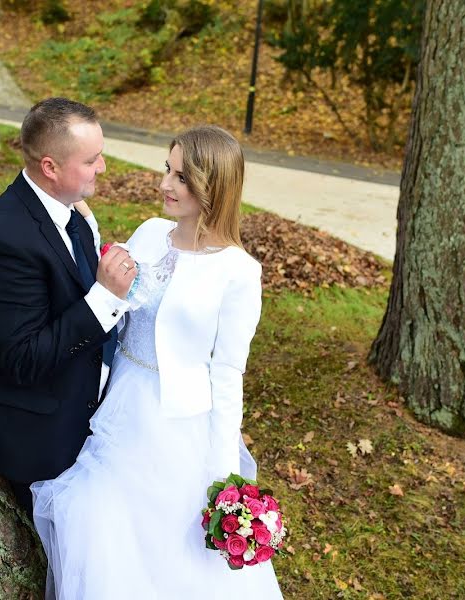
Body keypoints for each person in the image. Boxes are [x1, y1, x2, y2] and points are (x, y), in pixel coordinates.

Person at [31, 126, 283, 598]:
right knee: (101, 523)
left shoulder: (238, 273)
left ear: (215, 186)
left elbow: (228, 374)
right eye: (167, 170)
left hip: (176, 425)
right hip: (117, 399)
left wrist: (225, 476)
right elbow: (115, 288)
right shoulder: (150, 232)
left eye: (182, 177)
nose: (165, 184)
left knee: (170, 548)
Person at [0, 98, 137, 517]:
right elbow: (23, 358)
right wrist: (104, 298)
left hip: (97, 418)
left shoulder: (73, 212)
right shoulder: (3, 241)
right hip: (42, 438)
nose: (103, 168)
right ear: (50, 167)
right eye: (91, 160)